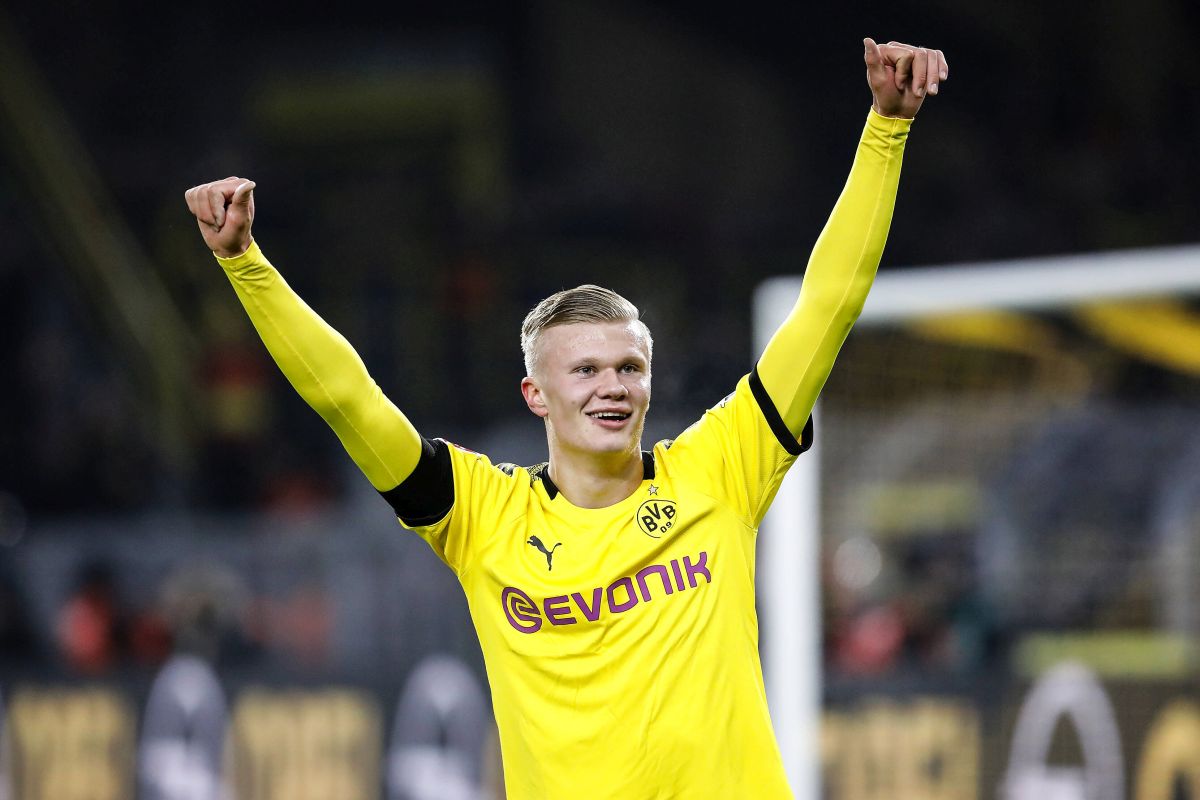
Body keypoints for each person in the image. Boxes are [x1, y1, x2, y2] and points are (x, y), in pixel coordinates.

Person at [185, 37, 947, 799]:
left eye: (629, 368)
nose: (611, 388)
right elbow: (347, 397)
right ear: (535, 395)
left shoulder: (722, 465)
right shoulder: (481, 515)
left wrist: (886, 129)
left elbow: (827, 307)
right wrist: (247, 264)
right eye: (584, 370)